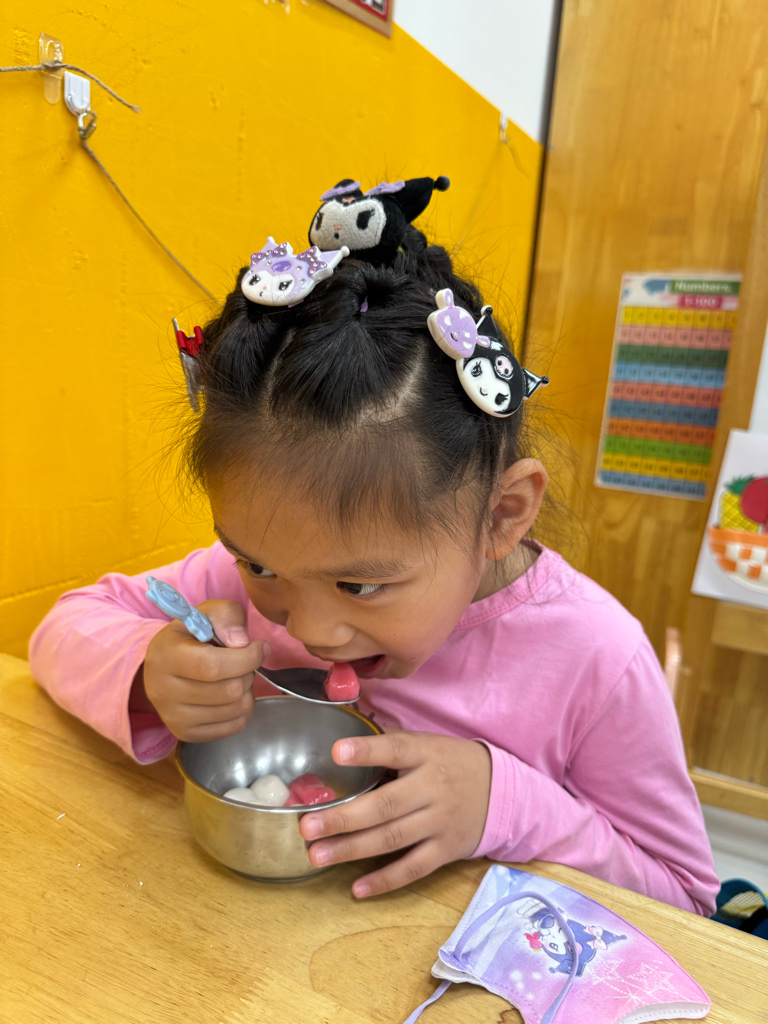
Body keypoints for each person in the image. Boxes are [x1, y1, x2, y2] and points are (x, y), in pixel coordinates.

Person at [29, 221, 719, 916]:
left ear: (502, 516)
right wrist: (148, 669)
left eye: (359, 585)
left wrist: (504, 803)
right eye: (258, 564)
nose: (309, 629)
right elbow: (63, 628)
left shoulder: (597, 660)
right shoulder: (236, 588)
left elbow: (686, 899)